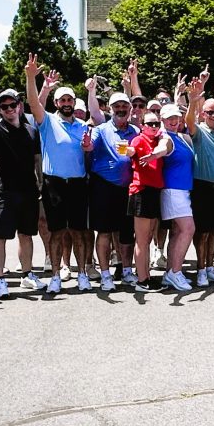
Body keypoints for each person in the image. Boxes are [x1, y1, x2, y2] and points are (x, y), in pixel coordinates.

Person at [0, 72, 46, 299]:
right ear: (0, 110)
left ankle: (27, 275)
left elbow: (36, 160)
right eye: (4, 106)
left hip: (29, 191)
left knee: (26, 235)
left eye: (13, 104)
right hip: (5, 192)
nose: (9, 109)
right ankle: (0, 280)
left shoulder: (31, 130)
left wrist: (41, 184)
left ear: (19, 106)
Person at [25, 55, 93, 296]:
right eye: (62, 99)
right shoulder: (47, 121)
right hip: (54, 184)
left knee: (78, 232)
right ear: (56, 102)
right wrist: (31, 78)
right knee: (57, 232)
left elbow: (87, 159)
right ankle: (55, 275)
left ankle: (82, 274)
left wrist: (88, 151)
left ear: (74, 103)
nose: (66, 102)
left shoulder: (83, 127)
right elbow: (33, 104)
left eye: (70, 99)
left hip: (77, 184)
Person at [89, 92, 140, 290]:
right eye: (116, 106)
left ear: (129, 109)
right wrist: (86, 145)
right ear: (110, 109)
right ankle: (105, 275)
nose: (120, 109)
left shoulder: (135, 130)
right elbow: (89, 145)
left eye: (124, 106)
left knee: (127, 233)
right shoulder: (101, 130)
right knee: (104, 232)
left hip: (127, 188)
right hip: (103, 186)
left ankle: (127, 271)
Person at [185, 75, 214, 287]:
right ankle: (201, 269)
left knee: (213, 231)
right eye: (210, 112)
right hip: (201, 188)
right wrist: (194, 100)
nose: (213, 115)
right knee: (202, 232)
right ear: (203, 114)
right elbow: (188, 122)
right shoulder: (199, 132)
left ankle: (211, 267)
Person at [127, 110, 171, 292]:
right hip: (141, 192)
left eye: (156, 123)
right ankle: (142, 280)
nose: (153, 127)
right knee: (142, 239)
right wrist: (126, 151)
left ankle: (146, 276)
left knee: (149, 237)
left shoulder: (159, 140)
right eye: (149, 124)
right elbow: (130, 150)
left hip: (154, 192)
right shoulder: (138, 140)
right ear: (142, 126)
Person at [160, 102, 196, 291]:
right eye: (170, 118)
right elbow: (161, 149)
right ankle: (175, 272)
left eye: (176, 117)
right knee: (188, 229)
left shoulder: (180, 136)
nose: (174, 121)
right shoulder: (165, 137)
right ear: (162, 120)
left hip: (182, 190)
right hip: (173, 190)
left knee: (177, 232)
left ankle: (170, 273)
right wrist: (152, 155)